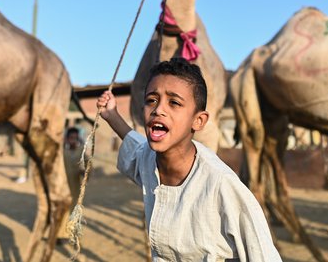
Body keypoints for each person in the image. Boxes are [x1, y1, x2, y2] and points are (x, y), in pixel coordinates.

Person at [97, 58, 282, 261]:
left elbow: (263, 255)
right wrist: (112, 115)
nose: (158, 109)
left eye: (174, 102)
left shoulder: (221, 185)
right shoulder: (150, 161)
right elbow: (137, 149)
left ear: (198, 120)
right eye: (152, 100)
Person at [57, 126, 86, 242]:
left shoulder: (81, 152)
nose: (73, 140)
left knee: (73, 210)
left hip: (75, 188)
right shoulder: (62, 153)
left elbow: (88, 167)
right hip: (62, 187)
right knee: (61, 211)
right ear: (67, 139)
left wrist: (84, 173)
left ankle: (70, 234)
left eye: (75, 138)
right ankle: (59, 235)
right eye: (71, 138)